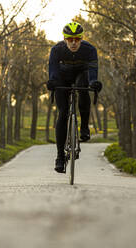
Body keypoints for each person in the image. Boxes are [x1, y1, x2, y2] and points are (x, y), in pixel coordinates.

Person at [47, 22, 102, 173]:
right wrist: (52, 81)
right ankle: (59, 157)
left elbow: (92, 69)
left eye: (77, 39)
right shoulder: (56, 49)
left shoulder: (89, 50)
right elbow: (53, 68)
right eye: (70, 39)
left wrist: (93, 82)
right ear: (64, 38)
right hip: (62, 76)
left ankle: (84, 127)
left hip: (81, 74)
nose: (73, 42)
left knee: (83, 89)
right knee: (63, 113)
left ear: (81, 38)